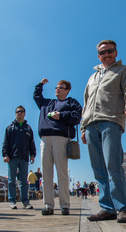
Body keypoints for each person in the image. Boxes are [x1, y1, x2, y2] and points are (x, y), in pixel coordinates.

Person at [81, 40, 126, 223]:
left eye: (110, 51)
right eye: (102, 52)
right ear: (98, 56)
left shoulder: (125, 71)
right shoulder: (92, 78)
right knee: (98, 169)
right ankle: (107, 208)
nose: (106, 54)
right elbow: (85, 104)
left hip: (111, 122)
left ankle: (123, 208)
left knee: (113, 166)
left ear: (116, 52)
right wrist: (83, 127)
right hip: (91, 125)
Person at [34, 78, 82, 216]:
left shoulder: (71, 102)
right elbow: (36, 96)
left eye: (61, 87)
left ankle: (65, 205)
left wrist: (61, 115)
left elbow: (77, 116)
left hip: (61, 138)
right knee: (46, 174)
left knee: (62, 173)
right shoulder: (47, 103)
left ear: (67, 90)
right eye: (56, 87)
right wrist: (40, 85)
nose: (57, 89)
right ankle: (48, 205)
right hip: (45, 139)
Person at [2, 105, 36, 209]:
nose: (19, 113)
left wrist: (33, 154)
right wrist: (5, 154)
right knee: (12, 180)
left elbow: (31, 143)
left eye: (21, 111)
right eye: (18, 112)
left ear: (24, 114)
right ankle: (12, 201)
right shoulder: (10, 128)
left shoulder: (28, 128)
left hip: (24, 158)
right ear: (15, 113)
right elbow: (5, 143)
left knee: (24, 181)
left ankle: (25, 201)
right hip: (12, 157)